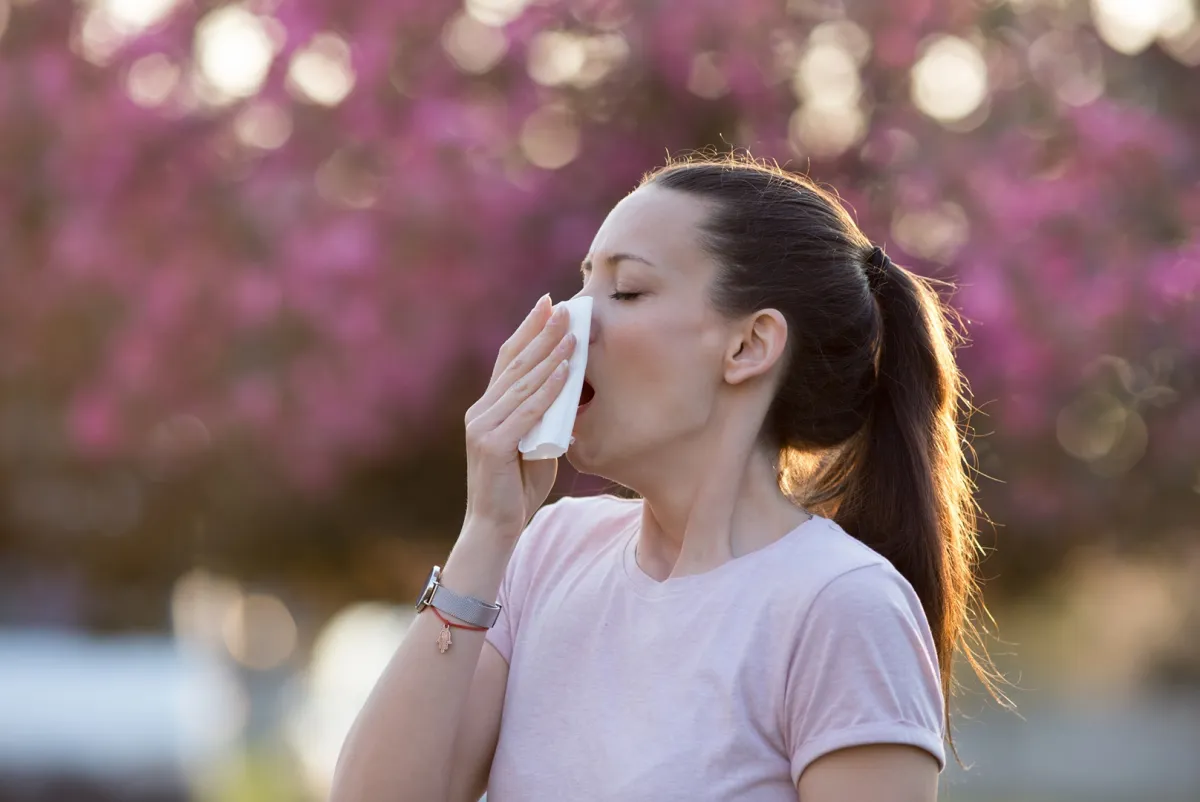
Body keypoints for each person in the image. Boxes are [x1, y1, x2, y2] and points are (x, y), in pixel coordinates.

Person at [330, 155, 1009, 802]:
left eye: (625, 290)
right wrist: (486, 532)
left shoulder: (840, 606)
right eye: (583, 283)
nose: (569, 325)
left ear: (748, 346)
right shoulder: (550, 551)